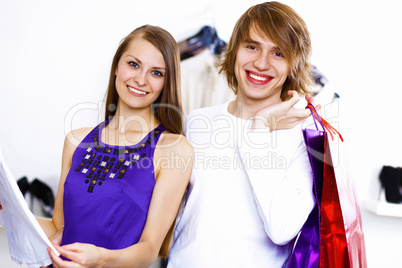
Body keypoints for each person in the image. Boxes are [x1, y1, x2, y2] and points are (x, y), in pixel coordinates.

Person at [3, 24, 193, 267]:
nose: (140, 79)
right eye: (133, 64)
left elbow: (149, 249)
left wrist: (101, 259)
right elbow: (58, 228)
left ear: (167, 82)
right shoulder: (76, 140)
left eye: (156, 73)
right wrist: (8, 210)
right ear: (116, 67)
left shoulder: (173, 148)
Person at [167, 2, 318, 267]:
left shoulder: (303, 139)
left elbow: (282, 229)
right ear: (235, 50)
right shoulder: (197, 122)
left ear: (293, 65)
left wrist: (259, 129)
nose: (261, 63)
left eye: (278, 53)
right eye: (252, 46)